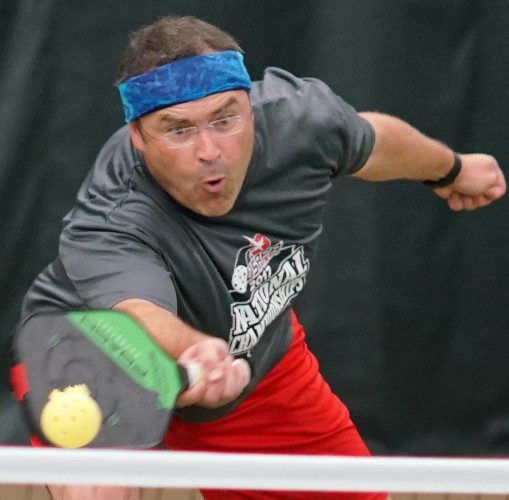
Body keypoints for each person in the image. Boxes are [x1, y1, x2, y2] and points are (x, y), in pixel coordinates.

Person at [16, 15, 505, 500]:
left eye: (225, 119)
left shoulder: (301, 119)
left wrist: (451, 169)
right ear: (138, 138)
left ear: (251, 108)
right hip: (94, 348)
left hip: (256, 363)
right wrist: (195, 350)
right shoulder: (112, 216)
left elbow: (373, 142)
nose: (210, 151)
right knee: (94, 490)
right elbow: (139, 311)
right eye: (178, 131)